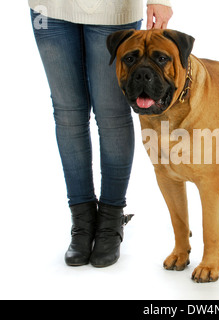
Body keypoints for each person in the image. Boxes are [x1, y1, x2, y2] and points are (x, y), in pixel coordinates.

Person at [29, 0, 173, 268]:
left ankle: (110, 219)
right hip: (47, 8)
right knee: (67, 113)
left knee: (113, 115)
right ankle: (82, 223)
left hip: (113, 9)